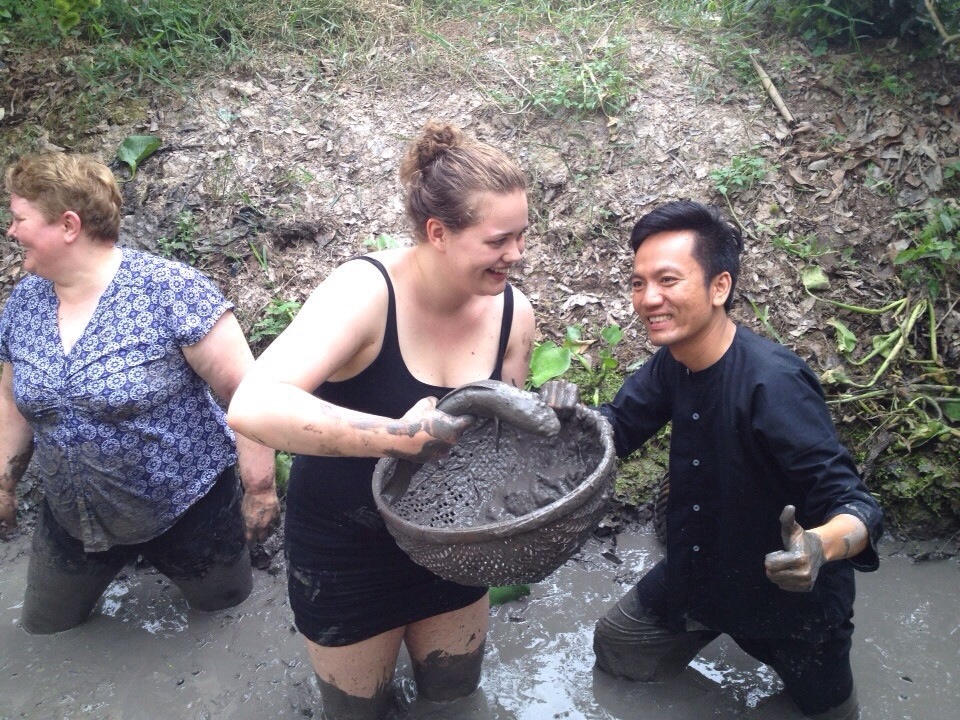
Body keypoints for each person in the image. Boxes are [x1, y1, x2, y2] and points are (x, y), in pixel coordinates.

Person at [227, 120, 536, 719]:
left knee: (453, 701)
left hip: (453, 547)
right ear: (438, 232)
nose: (516, 255)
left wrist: (542, 419)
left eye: (523, 236)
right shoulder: (364, 293)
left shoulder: (513, 314)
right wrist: (397, 437)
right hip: (348, 553)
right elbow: (252, 405)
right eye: (499, 240)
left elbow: (501, 441)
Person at [587, 200, 883, 719]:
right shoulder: (671, 364)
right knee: (618, 649)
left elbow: (855, 503)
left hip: (789, 599)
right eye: (638, 283)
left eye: (668, 280)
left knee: (828, 713)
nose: (648, 298)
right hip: (699, 570)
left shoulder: (774, 383)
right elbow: (616, 428)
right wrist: (561, 418)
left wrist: (817, 546)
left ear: (719, 287)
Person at [0, 153, 279, 634]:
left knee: (226, 616)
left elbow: (246, 392)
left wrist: (260, 489)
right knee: (45, 628)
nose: (10, 231)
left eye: (19, 218)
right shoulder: (25, 303)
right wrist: (3, 481)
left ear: (68, 225)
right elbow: (11, 399)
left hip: (188, 510)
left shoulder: (171, 291)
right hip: (73, 515)